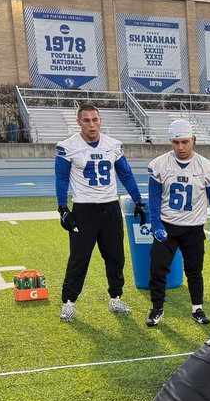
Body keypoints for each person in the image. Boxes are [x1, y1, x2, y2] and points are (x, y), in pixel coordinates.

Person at [55, 103, 145, 321]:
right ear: (79, 122)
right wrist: (62, 207)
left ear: (100, 120)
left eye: (95, 119)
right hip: (84, 209)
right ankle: (69, 302)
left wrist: (138, 200)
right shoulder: (68, 146)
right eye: (86, 120)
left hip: (110, 207)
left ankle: (115, 298)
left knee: (115, 256)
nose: (91, 124)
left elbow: (126, 175)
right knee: (79, 257)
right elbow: (62, 178)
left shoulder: (113, 145)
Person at [145, 119, 210, 327]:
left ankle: (197, 308)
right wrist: (156, 224)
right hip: (167, 226)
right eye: (176, 142)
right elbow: (153, 198)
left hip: (193, 228)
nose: (180, 147)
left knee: (194, 270)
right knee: (157, 268)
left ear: (193, 140)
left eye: (185, 142)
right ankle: (157, 308)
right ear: (171, 142)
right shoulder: (160, 164)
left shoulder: (207, 167)